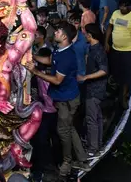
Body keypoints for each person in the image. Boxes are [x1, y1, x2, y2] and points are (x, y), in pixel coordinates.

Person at [24, 23, 89, 177]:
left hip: (67, 99)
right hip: (63, 97)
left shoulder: (67, 57)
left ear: (64, 36)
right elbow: (49, 60)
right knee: (69, 128)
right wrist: (32, 56)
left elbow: (57, 80)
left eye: (58, 31)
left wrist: (35, 71)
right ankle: (82, 158)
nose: (55, 33)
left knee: (63, 131)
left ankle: (67, 162)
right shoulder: (59, 50)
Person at [105, 0, 131, 109]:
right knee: (115, 72)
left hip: (129, 51)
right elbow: (110, 27)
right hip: (115, 49)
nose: (121, 9)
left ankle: (123, 97)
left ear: (129, 7)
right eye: (120, 6)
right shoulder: (115, 14)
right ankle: (114, 93)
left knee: (127, 76)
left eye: (123, 7)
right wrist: (106, 42)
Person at [28, 47, 59, 181]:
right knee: (49, 141)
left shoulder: (45, 75)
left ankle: (41, 170)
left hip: (48, 112)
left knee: (42, 142)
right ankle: (53, 164)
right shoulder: (47, 74)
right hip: (49, 111)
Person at [78, 24, 108, 156]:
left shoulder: (97, 51)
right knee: (98, 117)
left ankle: (93, 148)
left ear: (90, 35)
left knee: (91, 119)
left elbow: (104, 70)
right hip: (94, 89)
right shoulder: (93, 48)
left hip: (95, 90)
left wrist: (86, 77)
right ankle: (98, 144)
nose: (84, 36)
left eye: (85, 34)